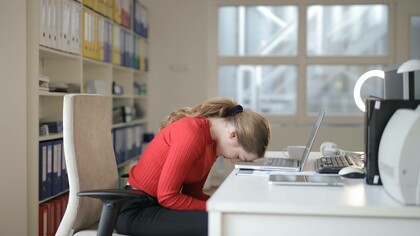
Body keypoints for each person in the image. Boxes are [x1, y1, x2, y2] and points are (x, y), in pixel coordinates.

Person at [115, 98, 271, 236]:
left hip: (156, 206)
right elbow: (168, 197)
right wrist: (216, 207)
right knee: (220, 223)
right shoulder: (192, 133)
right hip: (136, 210)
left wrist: (223, 205)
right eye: (239, 156)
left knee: (225, 219)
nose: (233, 160)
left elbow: (193, 192)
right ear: (233, 135)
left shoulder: (213, 145)